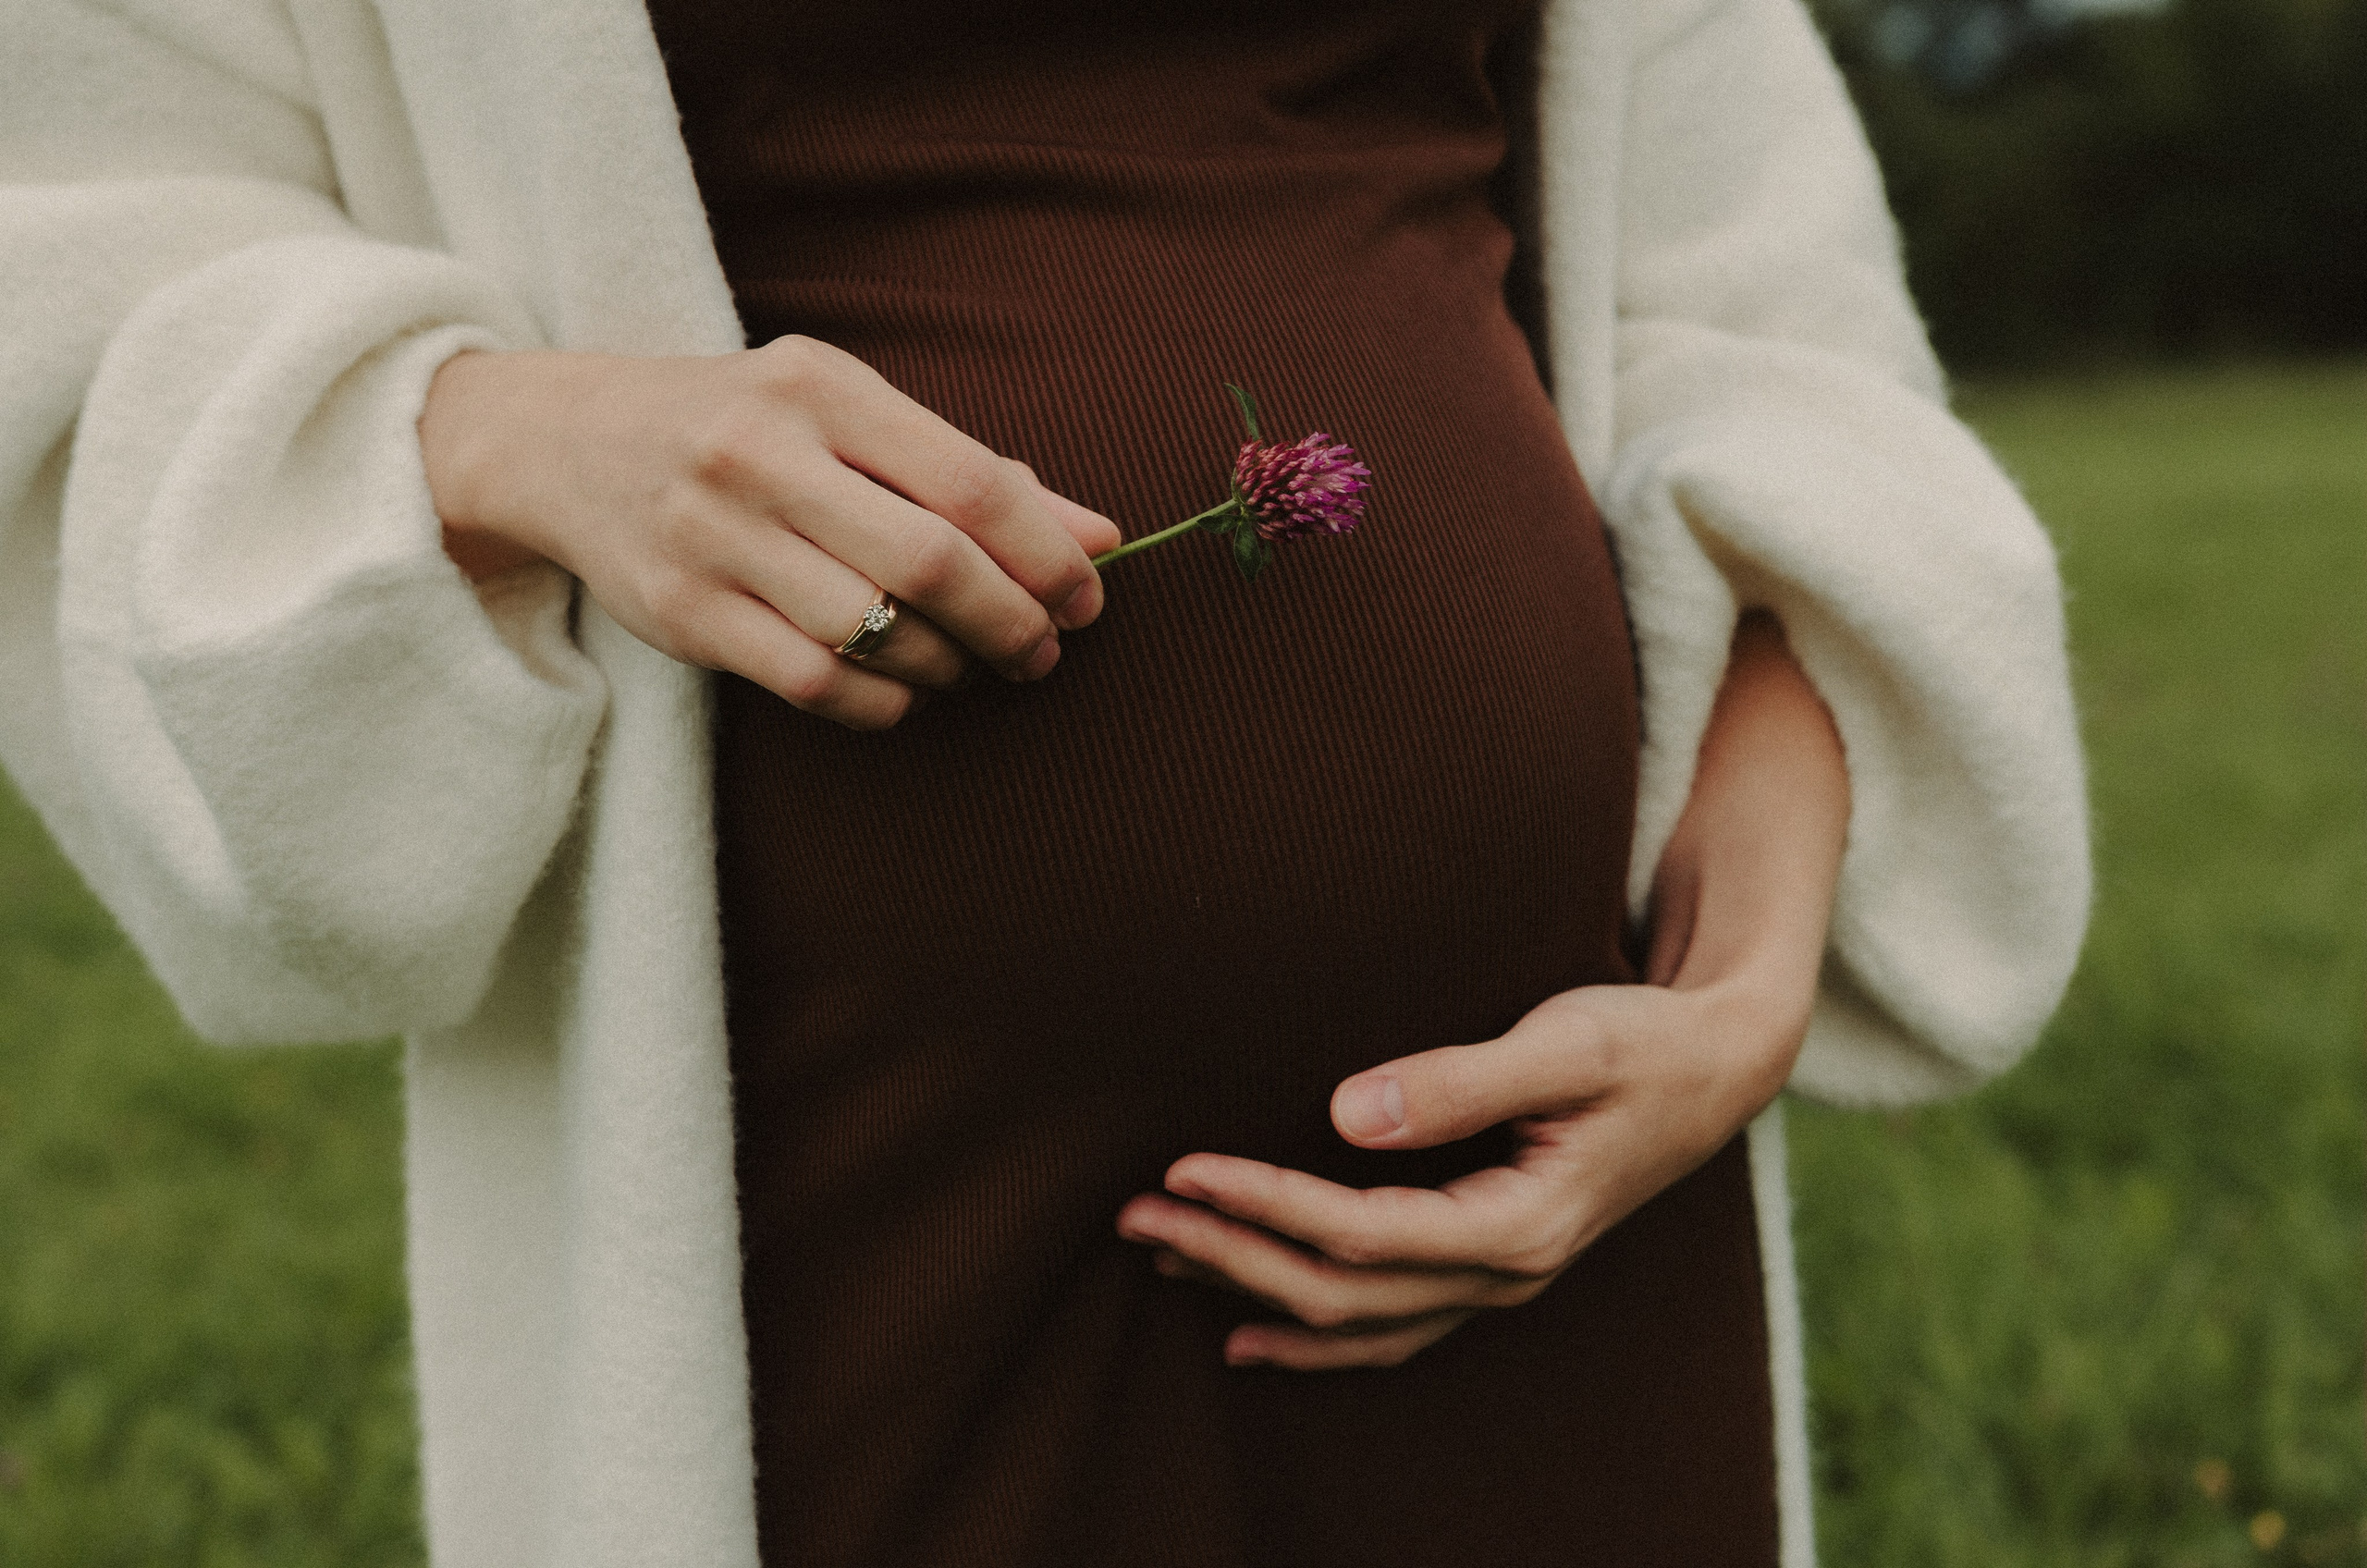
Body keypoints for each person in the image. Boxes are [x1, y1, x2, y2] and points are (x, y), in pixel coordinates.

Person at [0, 0, 2089, 1564]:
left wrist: (1737, 990)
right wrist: (514, 434)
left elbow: (1771, 332)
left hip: (1562, 1218)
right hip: (840, 1214)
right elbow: (72, 275)